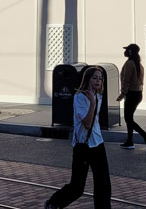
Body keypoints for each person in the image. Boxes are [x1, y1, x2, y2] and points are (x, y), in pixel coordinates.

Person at [45, 66, 112, 209]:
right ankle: (54, 203)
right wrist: (92, 103)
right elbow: (87, 123)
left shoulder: (99, 96)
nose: (98, 81)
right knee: (77, 186)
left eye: (100, 78)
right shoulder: (79, 97)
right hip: (83, 146)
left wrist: (95, 101)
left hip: (98, 144)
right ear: (87, 79)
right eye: (94, 78)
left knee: (103, 184)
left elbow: (95, 123)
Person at [116, 43, 146, 150]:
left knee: (128, 118)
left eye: (127, 50)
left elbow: (126, 80)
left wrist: (122, 94)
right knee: (129, 118)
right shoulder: (138, 64)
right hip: (138, 94)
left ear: (131, 52)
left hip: (131, 94)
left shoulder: (129, 64)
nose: (125, 51)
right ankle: (129, 141)